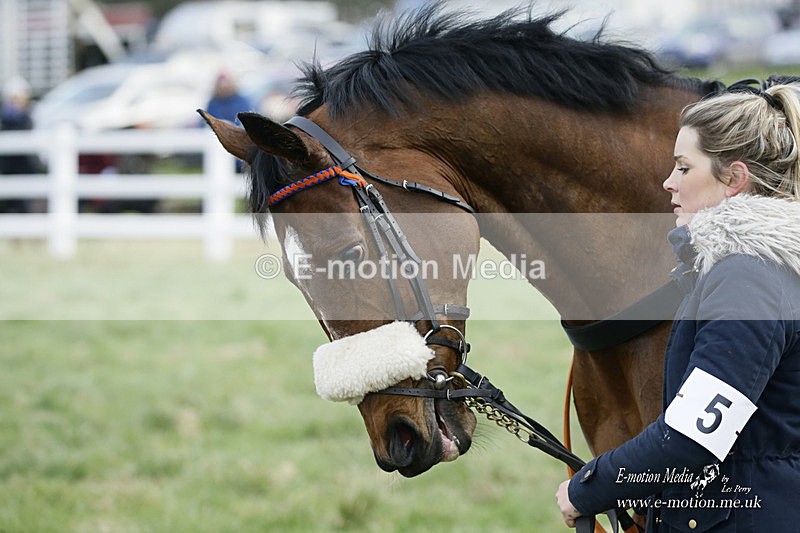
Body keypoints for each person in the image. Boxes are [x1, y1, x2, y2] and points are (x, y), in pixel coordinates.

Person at [555, 83, 800, 532]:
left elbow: (694, 435)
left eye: (684, 167)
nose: (669, 182)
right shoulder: (752, 268)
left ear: (735, 178)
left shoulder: (747, 276)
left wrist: (588, 487)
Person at [0, 77, 42, 213]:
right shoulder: (7, 116)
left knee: (24, 200)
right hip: (8, 164)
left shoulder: (30, 115)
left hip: (24, 164)